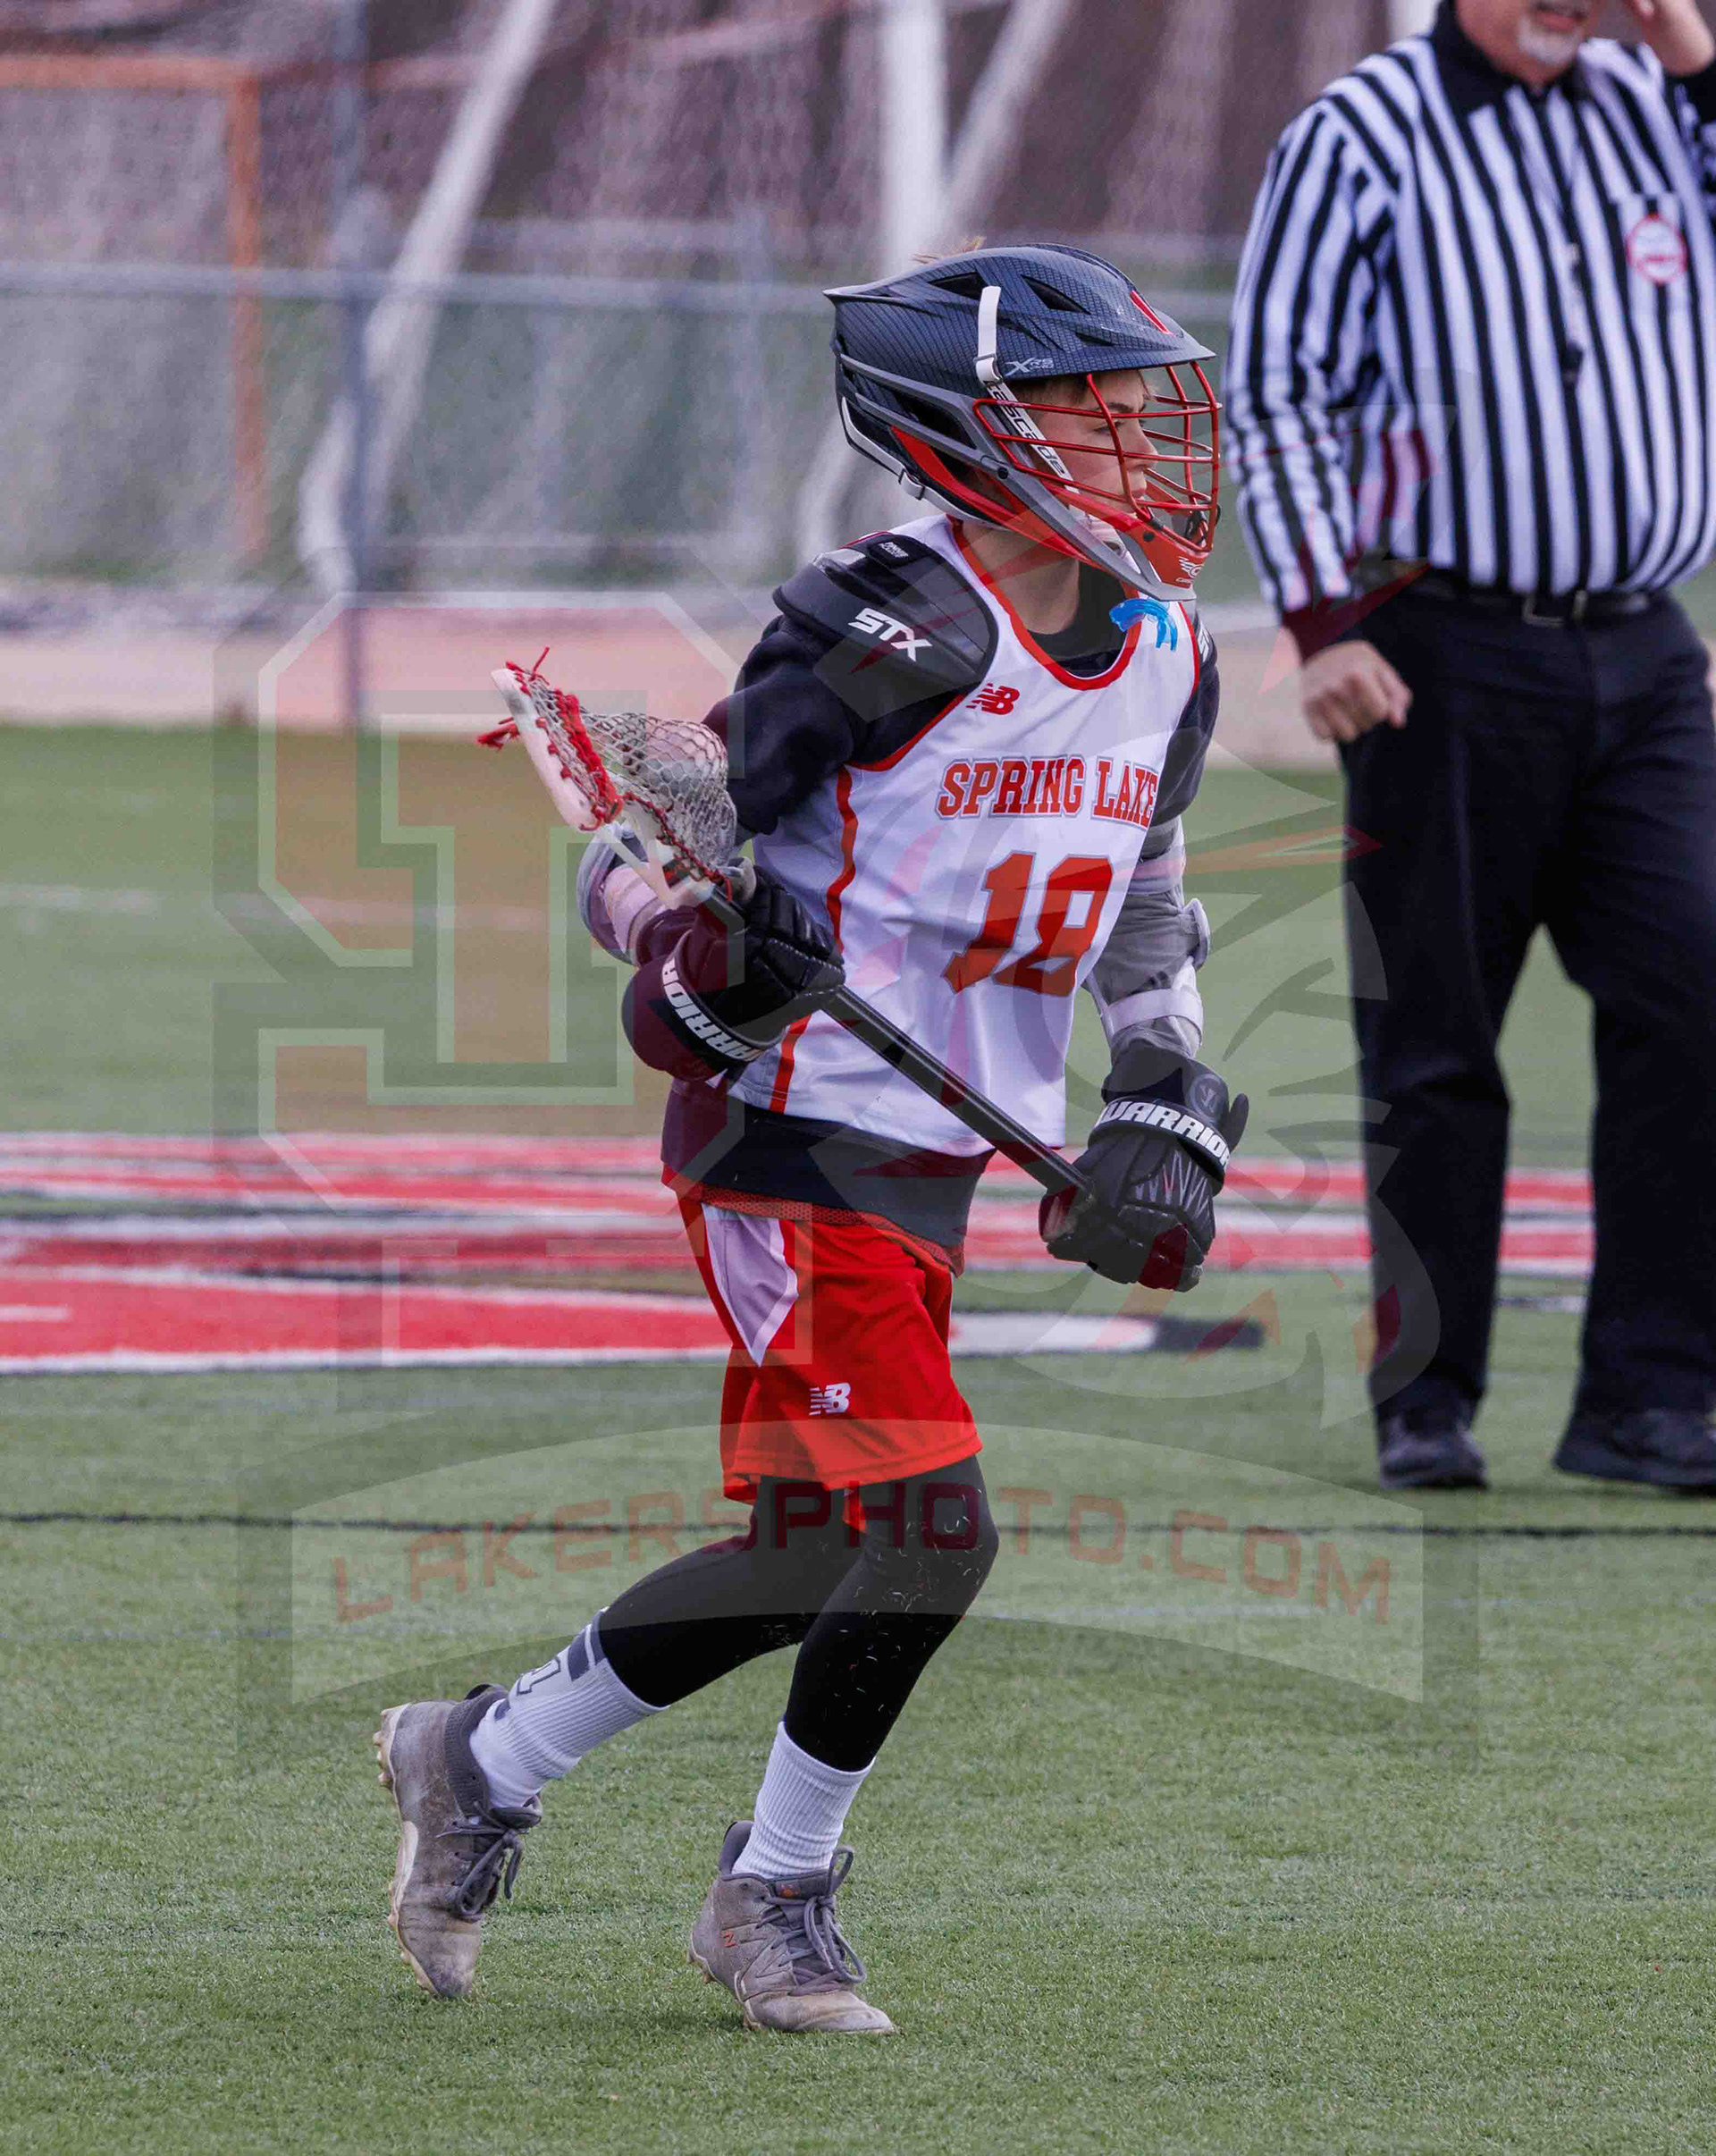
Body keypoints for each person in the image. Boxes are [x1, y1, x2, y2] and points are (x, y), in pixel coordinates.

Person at [373, 244, 1245, 2032]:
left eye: (1137, 411)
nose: (1139, 446)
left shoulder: (1168, 646)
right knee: (934, 1531)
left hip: (939, 1151)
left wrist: (1162, 1086)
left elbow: (1148, 889)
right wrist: (696, 958)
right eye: (1090, 411)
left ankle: (480, 1756)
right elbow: (649, 861)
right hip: (794, 1134)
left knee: (803, 1553)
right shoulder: (885, 623)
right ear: (966, 429)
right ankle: (774, 1892)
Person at [1226, 0, 1716, 1494]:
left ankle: (1650, 1398)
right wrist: (1324, 623)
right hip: (1435, 644)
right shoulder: (1358, 133)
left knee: (1695, 997)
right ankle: (1426, 1398)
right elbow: (1278, 389)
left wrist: (1697, 55)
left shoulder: (1661, 107)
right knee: (1436, 1036)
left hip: (1644, 647)